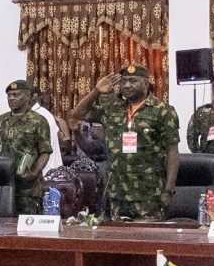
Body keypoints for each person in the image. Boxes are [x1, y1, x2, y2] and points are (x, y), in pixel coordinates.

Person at [76, 65, 180, 220]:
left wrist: (169, 190)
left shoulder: (163, 111)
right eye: (123, 82)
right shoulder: (112, 110)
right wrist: (96, 91)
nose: (127, 85)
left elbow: (173, 152)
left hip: (149, 194)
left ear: (146, 83)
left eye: (133, 81)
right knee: (122, 240)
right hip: (118, 194)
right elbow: (78, 113)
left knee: (148, 240)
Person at [0, 80, 54, 212]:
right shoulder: (0, 121)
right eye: (9, 95)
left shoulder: (38, 121)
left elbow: (45, 151)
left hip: (27, 188)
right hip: (2, 185)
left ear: (27, 96)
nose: (12, 98)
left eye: (16, 95)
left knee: (26, 227)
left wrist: (34, 172)